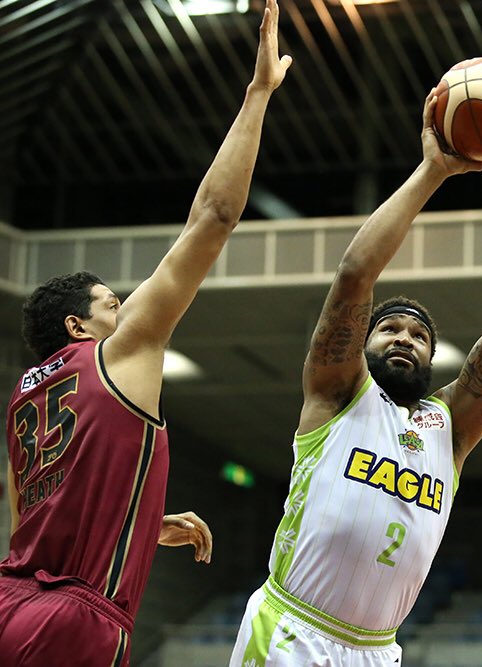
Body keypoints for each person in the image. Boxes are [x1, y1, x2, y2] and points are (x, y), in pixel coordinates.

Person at [0, 3, 291, 665]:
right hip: (73, 617)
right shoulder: (119, 351)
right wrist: (257, 94)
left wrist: (141, 525)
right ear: (77, 324)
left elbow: (34, 520)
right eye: (111, 303)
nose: (125, 307)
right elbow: (214, 215)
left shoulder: (21, 397)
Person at [229, 89, 482, 666]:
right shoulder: (337, 393)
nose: (404, 338)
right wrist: (433, 172)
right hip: (293, 631)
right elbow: (355, 275)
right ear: (362, 343)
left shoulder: (449, 428)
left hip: (378, 652)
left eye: (418, 335)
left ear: (432, 359)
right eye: (389, 329)